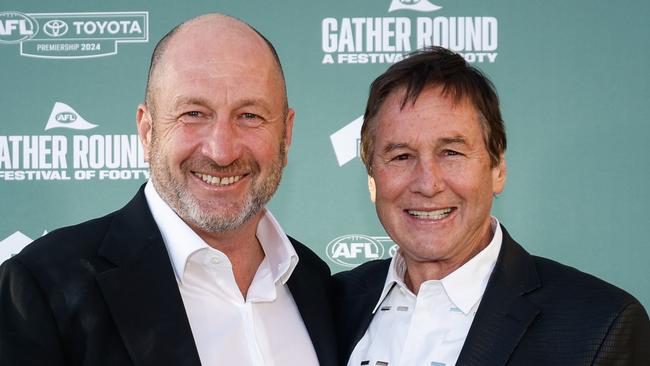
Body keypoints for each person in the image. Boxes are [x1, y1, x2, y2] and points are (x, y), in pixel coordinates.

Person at [0, 14, 337, 366]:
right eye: (194, 113)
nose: (222, 151)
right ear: (147, 131)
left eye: (249, 115)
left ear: (286, 133)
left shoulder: (316, 283)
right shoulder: (46, 286)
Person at [334, 47, 650, 366]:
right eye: (401, 156)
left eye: (452, 153)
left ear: (498, 168)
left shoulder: (598, 327)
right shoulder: (330, 306)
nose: (428, 184)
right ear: (372, 174)